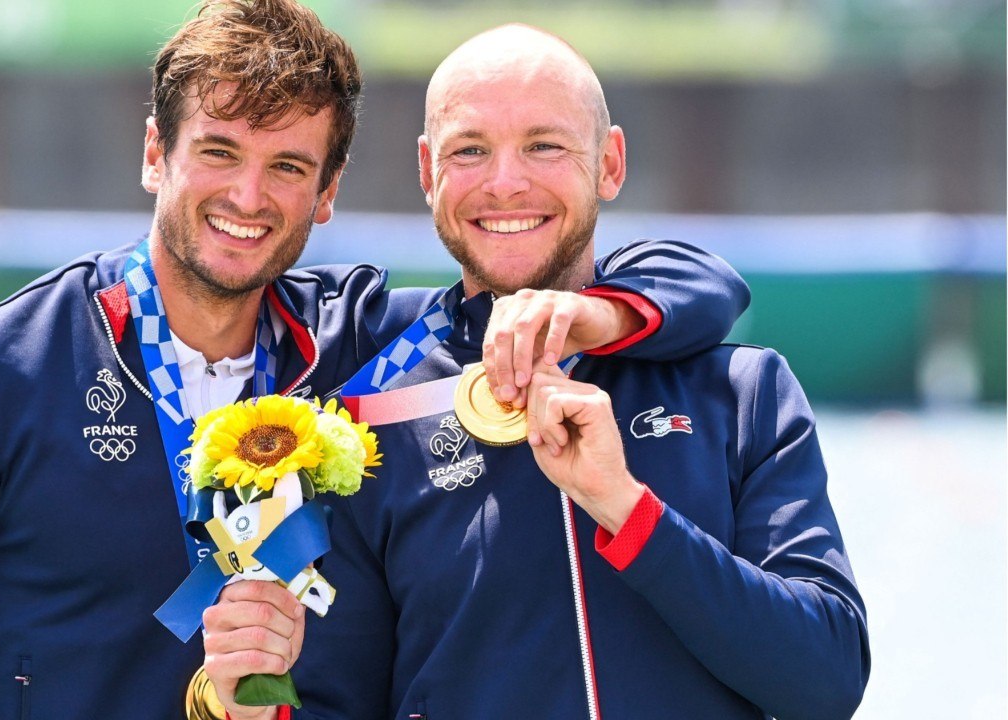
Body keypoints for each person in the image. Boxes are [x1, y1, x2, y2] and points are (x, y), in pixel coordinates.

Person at [0, 3, 750, 718]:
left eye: (289, 167)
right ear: (155, 153)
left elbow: (701, 282)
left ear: (329, 191)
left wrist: (583, 317)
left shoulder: (366, 345)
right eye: (218, 152)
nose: (249, 197)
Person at [279, 24, 870, 720]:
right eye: (469, 149)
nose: (505, 182)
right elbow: (331, 701)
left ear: (610, 162)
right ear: (427, 171)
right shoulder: (369, 412)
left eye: (544, 145)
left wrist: (627, 509)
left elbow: (826, 681)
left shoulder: (741, 393)